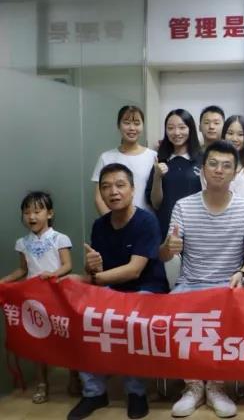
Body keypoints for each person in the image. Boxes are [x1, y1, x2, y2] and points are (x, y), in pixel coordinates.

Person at [159, 140, 244, 418]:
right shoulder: (183, 206)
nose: (219, 170)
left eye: (226, 165)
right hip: (189, 285)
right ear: (202, 169)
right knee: (170, 315)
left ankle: (217, 386)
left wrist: (241, 273)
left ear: (235, 171)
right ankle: (193, 386)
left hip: (227, 285)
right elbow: (165, 255)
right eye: (213, 164)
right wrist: (168, 247)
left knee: (232, 316)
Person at [68, 164, 169, 420]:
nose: (113, 191)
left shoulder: (147, 221)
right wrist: (91, 268)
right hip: (111, 290)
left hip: (146, 290)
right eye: (106, 187)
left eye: (120, 185)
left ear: (133, 190)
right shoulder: (99, 225)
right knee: (82, 317)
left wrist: (91, 278)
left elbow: (134, 270)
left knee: (131, 322)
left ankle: (136, 392)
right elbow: (98, 271)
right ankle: (94, 392)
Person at [1, 192, 72, 404]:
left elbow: (67, 265)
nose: (31, 216)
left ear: (49, 213)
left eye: (37, 211)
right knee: (38, 341)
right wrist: (3, 281)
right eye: (27, 212)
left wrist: (53, 274)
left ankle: (75, 377)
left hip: (57, 295)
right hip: (33, 299)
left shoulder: (59, 238)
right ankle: (42, 383)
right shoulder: (22, 243)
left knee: (66, 338)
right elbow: (23, 269)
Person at [146, 109, 203, 238]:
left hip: (197, 229)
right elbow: (156, 204)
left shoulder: (202, 160)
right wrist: (157, 176)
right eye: (170, 128)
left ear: (191, 129)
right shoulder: (160, 160)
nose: (176, 133)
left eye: (182, 127)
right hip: (166, 229)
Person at [91, 105, 156, 214]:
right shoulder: (106, 157)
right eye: (127, 123)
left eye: (137, 123)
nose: (132, 128)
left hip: (147, 220)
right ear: (118, 125)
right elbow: (99, 199)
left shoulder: (153, 156)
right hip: (115, 221)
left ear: (142, 126)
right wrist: (112, 222)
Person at [221, 114, 244, 199]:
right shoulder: (214, 166)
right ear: (223, 135)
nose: (234, 139)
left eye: (240, 134)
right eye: (230, 133)